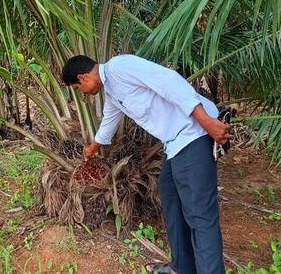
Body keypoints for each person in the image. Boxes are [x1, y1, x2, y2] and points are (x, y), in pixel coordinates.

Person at [62, 54, 229, 274]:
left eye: (77, 89)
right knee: (170, 195)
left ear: (83, 78)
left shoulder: (120, 67)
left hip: (194, 133)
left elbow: (170, 81)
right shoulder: (111, 90)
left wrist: (207, 122)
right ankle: (182, 267)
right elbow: (110, 119)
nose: (82, 94)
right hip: (175, 143)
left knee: (199, 214)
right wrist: (93, 147)